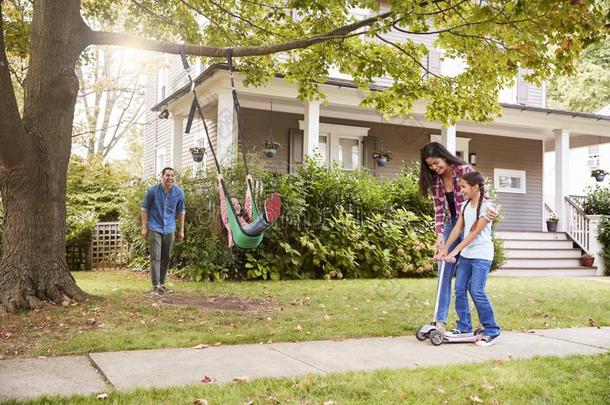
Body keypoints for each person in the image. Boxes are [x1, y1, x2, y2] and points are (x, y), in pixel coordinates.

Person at [419, 142, 496, 333]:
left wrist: (491, 211)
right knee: (444, 272)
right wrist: (439, 235)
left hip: (470, 222)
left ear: (445, 157)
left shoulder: (464, 170)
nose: (434, 168)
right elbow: (438, 208)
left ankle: (483, 322)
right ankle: (440, 321)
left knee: (472, 283)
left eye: (436, 163)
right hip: (450, 224)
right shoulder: (436, 181)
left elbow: (481, 195)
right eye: (430, 166)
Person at [437, 171, 501, 346]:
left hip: (481, 256)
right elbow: (458, 229)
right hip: (466, 256)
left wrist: (454, 251)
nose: (461, 190)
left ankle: (492, 330)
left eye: (464, 187)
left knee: (477, 291)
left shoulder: (487, 208)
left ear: (475, 187)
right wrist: (445, 249)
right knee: (459, 289)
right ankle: (464, 326)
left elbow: (473, 234)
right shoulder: (465, 205)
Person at [141, 167, 185, 294]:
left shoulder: (179, 193)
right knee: (156, 257)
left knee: (166, 256)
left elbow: (181, 212)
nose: (170, 178)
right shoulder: (152, 191)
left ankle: (162, 283)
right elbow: (144, 209)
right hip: (155, 227)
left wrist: (181, 230)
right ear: (162, 176)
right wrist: (144, 227)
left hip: (169, 228)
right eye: (167, 175)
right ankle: (156, 285)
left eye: (172, 175)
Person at [218, 174, 281, 247]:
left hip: (253, 235)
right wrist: (220, 183)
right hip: (241, 236)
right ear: (228, 207)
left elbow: (248, 202)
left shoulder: (245, 215)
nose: (237, 206)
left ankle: (268, 217)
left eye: (238, 204)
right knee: (253, 226)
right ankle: (265, 216)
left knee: (257, 226)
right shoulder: (227, 217)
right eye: (233, 205)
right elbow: (223, 200)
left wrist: (249, 185)